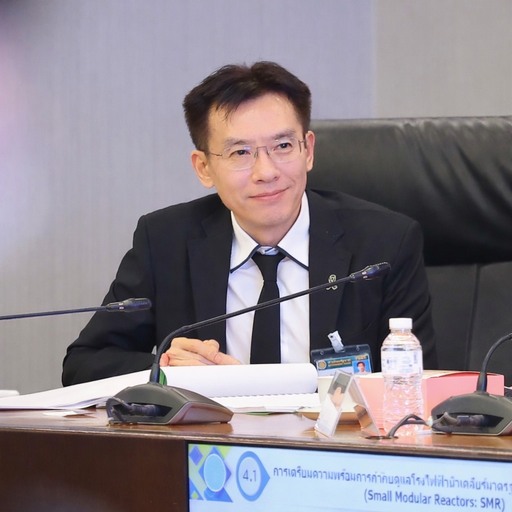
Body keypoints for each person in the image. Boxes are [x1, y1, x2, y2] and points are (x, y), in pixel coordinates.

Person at [62, 61, 437, 386]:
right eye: (241, 152)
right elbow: (83, 364)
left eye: (283, 146)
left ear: (308, 150)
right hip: (209, 444)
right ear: (204, 167)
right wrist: (165, 370)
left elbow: (421, 381)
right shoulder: (165, 241)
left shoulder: (385, 244)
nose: (266, 172)